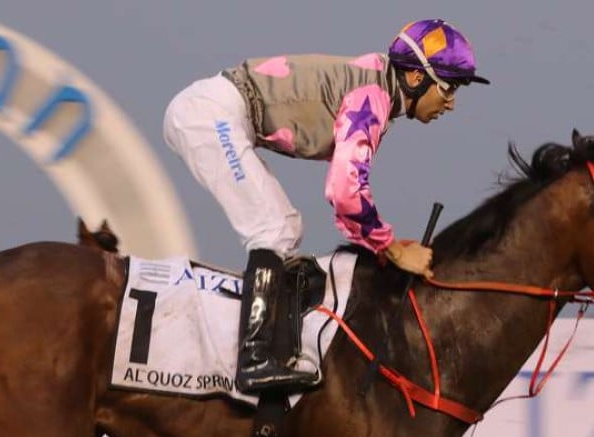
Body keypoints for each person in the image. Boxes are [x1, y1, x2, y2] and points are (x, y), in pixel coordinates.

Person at [163, 19, 488, 393]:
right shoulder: (373, 96)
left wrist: (383, 245)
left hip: (215, 111)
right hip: (210, 116)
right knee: (273, 230)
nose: (451, 102)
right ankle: (254, 360)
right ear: (416, 78)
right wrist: (393, 249)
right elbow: (345, 191)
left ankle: (272, 349)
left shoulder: (377, 86)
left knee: (285, 225)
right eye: (448, 87)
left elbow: (347, 194)